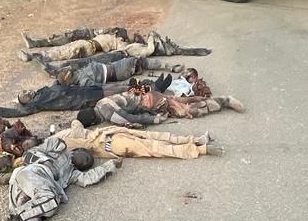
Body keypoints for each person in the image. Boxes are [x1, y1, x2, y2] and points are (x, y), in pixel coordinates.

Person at [0, 136, 120, 221]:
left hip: (32, 193)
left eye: (88, 164)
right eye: (87, 157)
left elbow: (89, 178)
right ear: (76, 150)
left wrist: (111, 165)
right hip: (34, 173)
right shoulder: (58, 146)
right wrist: (46, 162)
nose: (87, 162)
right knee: (51, 200)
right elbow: (29, 153)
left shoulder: (72, 174)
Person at [0, 75, 174, 119]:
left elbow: (60, 86)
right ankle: (156, 89)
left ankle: (152, 86)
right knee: (123, 92)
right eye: (25, 96)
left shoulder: (43, 91)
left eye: (25, 91)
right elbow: (17, 112)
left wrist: (61, 79)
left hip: (84, 89)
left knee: (123, 86)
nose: (27, 93)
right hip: (83, 99)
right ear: (26, 102)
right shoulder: (37, 104)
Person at [55, 119, 223, 158]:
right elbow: (77, 124)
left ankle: (198, 145)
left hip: (109, 142)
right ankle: (197, 144)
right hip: (110, 138)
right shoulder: (60, 138)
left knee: (154, 145)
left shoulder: (57, 146)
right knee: (155, 140)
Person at [19, 30, 210, 64]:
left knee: (64, 51)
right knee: (70, 39)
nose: (139, 36)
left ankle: (35, 56)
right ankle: (37, 45)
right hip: (91, 41)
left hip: (90, 47)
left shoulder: (129, 46)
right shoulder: (121, 37)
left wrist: (153, 39)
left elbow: (147, 49)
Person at [76, 89, 244, 127]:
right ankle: (215, 100)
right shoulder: (101, 102)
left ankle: (225, 101)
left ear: (94, 122)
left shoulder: (109, 114)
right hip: (149, 94)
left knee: (185, 111)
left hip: (152, 103)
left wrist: (154, 119)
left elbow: (131, 118)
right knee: (179, 100)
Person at [51, 55, 183, 87]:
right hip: (117, 70)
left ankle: (139, 70)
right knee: (137, 61)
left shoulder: (78, 74)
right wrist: (123, 85)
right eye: (65, 73)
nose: (67, 71)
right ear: (68, 78)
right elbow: (101, 86)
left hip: (114, 67)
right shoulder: (83, 81)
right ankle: (170, 67)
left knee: (136, 63)